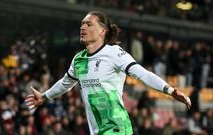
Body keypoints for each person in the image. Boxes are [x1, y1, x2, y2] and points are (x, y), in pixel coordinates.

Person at [25, 11, 191, 135]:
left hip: (117, 127)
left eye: (89, 24)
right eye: (82, 24)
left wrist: (171, 90)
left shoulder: (114, 53)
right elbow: (65, 83)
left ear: (102, 31)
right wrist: (45, 96)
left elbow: (143, 74)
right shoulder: (79, 59)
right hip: (97, 130)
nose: (83, 27)